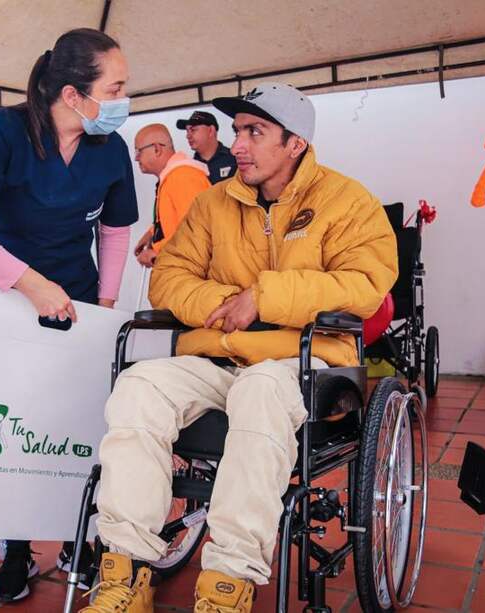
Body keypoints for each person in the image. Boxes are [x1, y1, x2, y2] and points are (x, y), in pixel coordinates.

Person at [84, 82, 398, 612]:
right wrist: (230, 301)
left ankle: (226, 585)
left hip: (306, 361)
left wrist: (265, 297)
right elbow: (169, 278)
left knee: (261, 388)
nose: (239, 145)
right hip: (220, 353)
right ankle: (126, 572)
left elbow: (365, 286)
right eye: (237, 131)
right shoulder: (213, 203)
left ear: (295, 143)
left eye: (255, 132)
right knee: (138, 386)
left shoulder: (347, 201)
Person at [0, 28, 138, 603]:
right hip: (2, 301)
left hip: (76, 301)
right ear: (74, 94)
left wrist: (104, 307)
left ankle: (78, 538)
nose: (124, 100)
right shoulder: (5, 132)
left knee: (75, 422)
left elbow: (115, 231)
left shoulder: (109, 148)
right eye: (116, 88)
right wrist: (31, 285)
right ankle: (18, 547)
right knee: (13, 426)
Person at [132, 124, 210, 268]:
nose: (136, 158)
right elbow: (178, 220)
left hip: (192, 272)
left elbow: (195, 232)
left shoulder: (183, 177)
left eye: (138, 151)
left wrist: (156, 251)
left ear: (157, 149)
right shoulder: (174, 176)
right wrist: (152, 233)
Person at [176, 110, 237, 184]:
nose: (188, 136)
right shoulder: (190, 168)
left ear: (211, 130)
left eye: (193, 130)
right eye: (187, 131)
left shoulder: (236, 159)